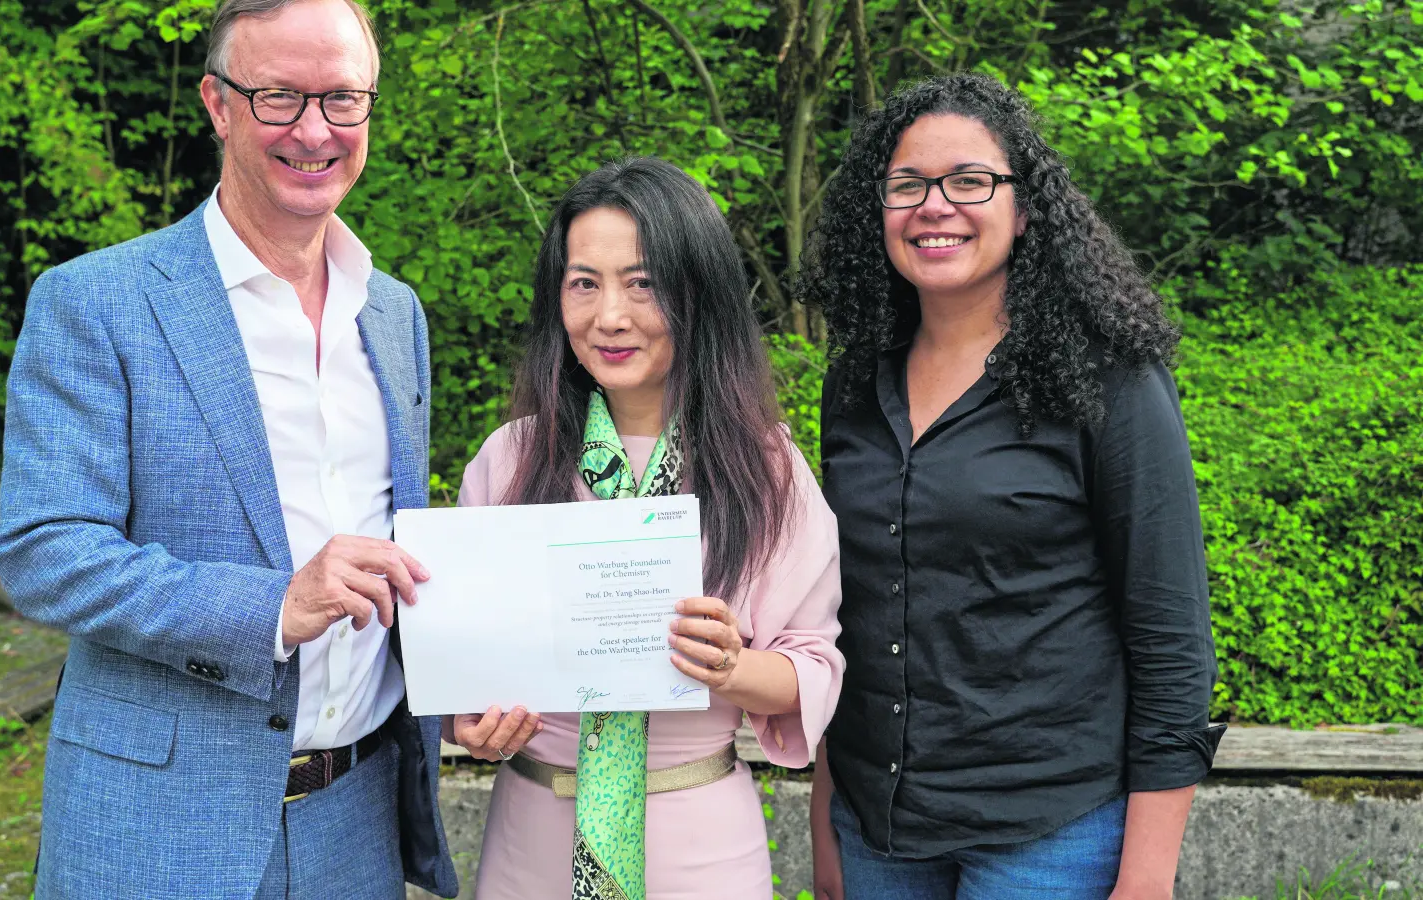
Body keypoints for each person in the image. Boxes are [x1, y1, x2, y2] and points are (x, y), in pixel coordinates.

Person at [0, 1, 457, 897]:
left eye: (342, 99)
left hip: (355, 827)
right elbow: (45, 551)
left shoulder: (395, 314)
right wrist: (273, 606)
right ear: (217, 104)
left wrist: (470, 663)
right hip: (157, 828)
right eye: (278, 96)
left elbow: (397, 553)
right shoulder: (97, 302)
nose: (315, 130)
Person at [798, 73, 1225, 900]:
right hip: (876, 825)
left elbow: (1172, 636)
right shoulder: (855, 380)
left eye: (970, 181)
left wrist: (1147, 875)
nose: (935, 205)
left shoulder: (1110, 380)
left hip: (1050, 833)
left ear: (1024, 208)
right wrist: (827, 819)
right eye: (907, 185)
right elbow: (840, 611)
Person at [446, 157, 845, 900]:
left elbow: (813, 666)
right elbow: (463, 662)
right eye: (584, 283)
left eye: (643, 282)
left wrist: (729, 667)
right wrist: (468, 721)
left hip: (700, 842)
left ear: (698, 292)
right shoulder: (509, 462)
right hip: (531, 830)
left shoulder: (767, 469)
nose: (610, 317)